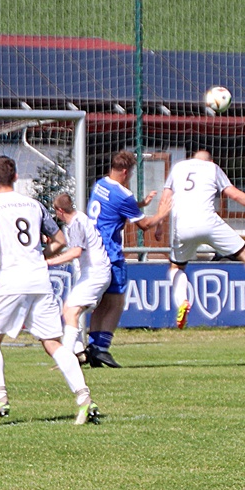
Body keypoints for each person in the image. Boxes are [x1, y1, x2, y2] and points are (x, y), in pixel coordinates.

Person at [0, 157, 99, 425]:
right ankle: (84, 398)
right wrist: (40, 256)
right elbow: (60, 240)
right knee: (53, 343)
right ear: (15, 177)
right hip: (40, 279)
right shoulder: (34, 205)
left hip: (12, 278)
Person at [155, 149, 245, 329]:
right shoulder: (213, 168)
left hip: (182, 226)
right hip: (208, 222)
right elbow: (234, 194)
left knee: (176, 266)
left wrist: (159, 225)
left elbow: (165, 199)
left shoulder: (177, 168)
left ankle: (182, 302)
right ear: (211, 160)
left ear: (191, 158)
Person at [85, 150, 160, 368]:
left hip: (93, 249)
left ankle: (93, 346)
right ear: (126, 172)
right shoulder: (122, 194)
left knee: (103, 303)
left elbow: (115, 206)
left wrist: (140, 204)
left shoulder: (100, 184)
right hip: (110, 252)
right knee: (117, 302)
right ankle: (102, 348)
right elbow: (144, 225)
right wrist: (162, 212)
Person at [47, 193, 111, 363]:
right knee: (68, 310)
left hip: (95, 273)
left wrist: (51, 261)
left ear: (60, 211)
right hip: (95, 272)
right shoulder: (81, 218)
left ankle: (67, 358)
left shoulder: (76, 224)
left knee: (71, 312)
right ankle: (79, 353)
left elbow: (76, 252)